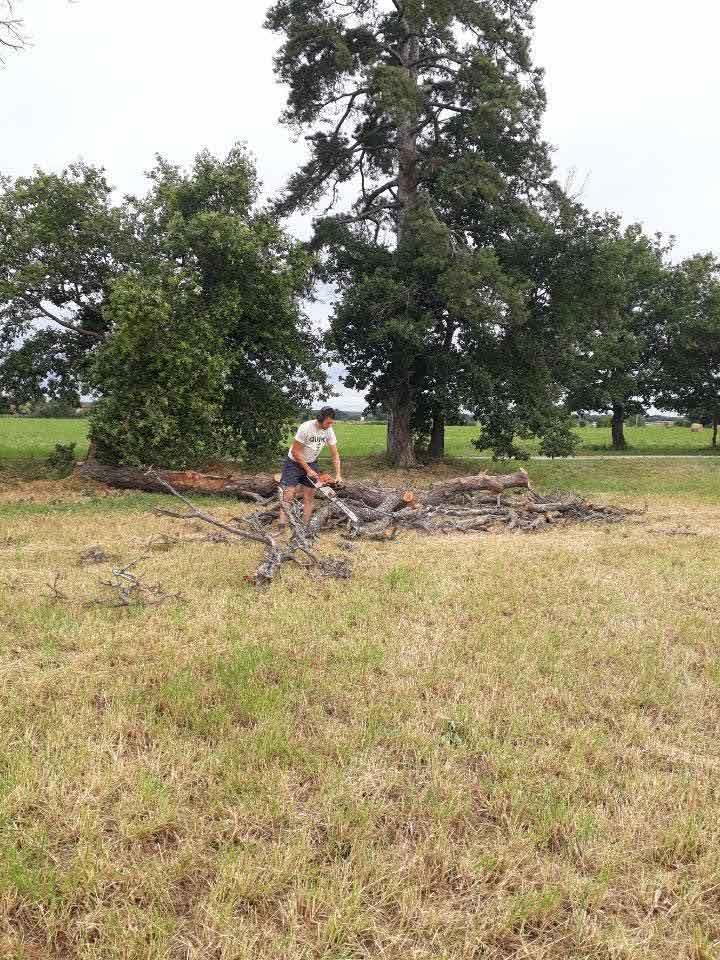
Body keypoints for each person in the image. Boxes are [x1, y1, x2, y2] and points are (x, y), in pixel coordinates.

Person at [278, 407, 343, 529]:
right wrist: (308, 470)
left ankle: (304, 526)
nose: (330, 425)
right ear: (320, 419)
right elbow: (295, 452)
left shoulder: (329, 430)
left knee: (309, 496)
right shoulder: (306, 427)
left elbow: (335, 454)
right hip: (293, 463)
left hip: (311, 463)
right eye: (328, 422)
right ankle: (281, 526)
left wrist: (338, 474)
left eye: (332, 422)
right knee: (288, 495)